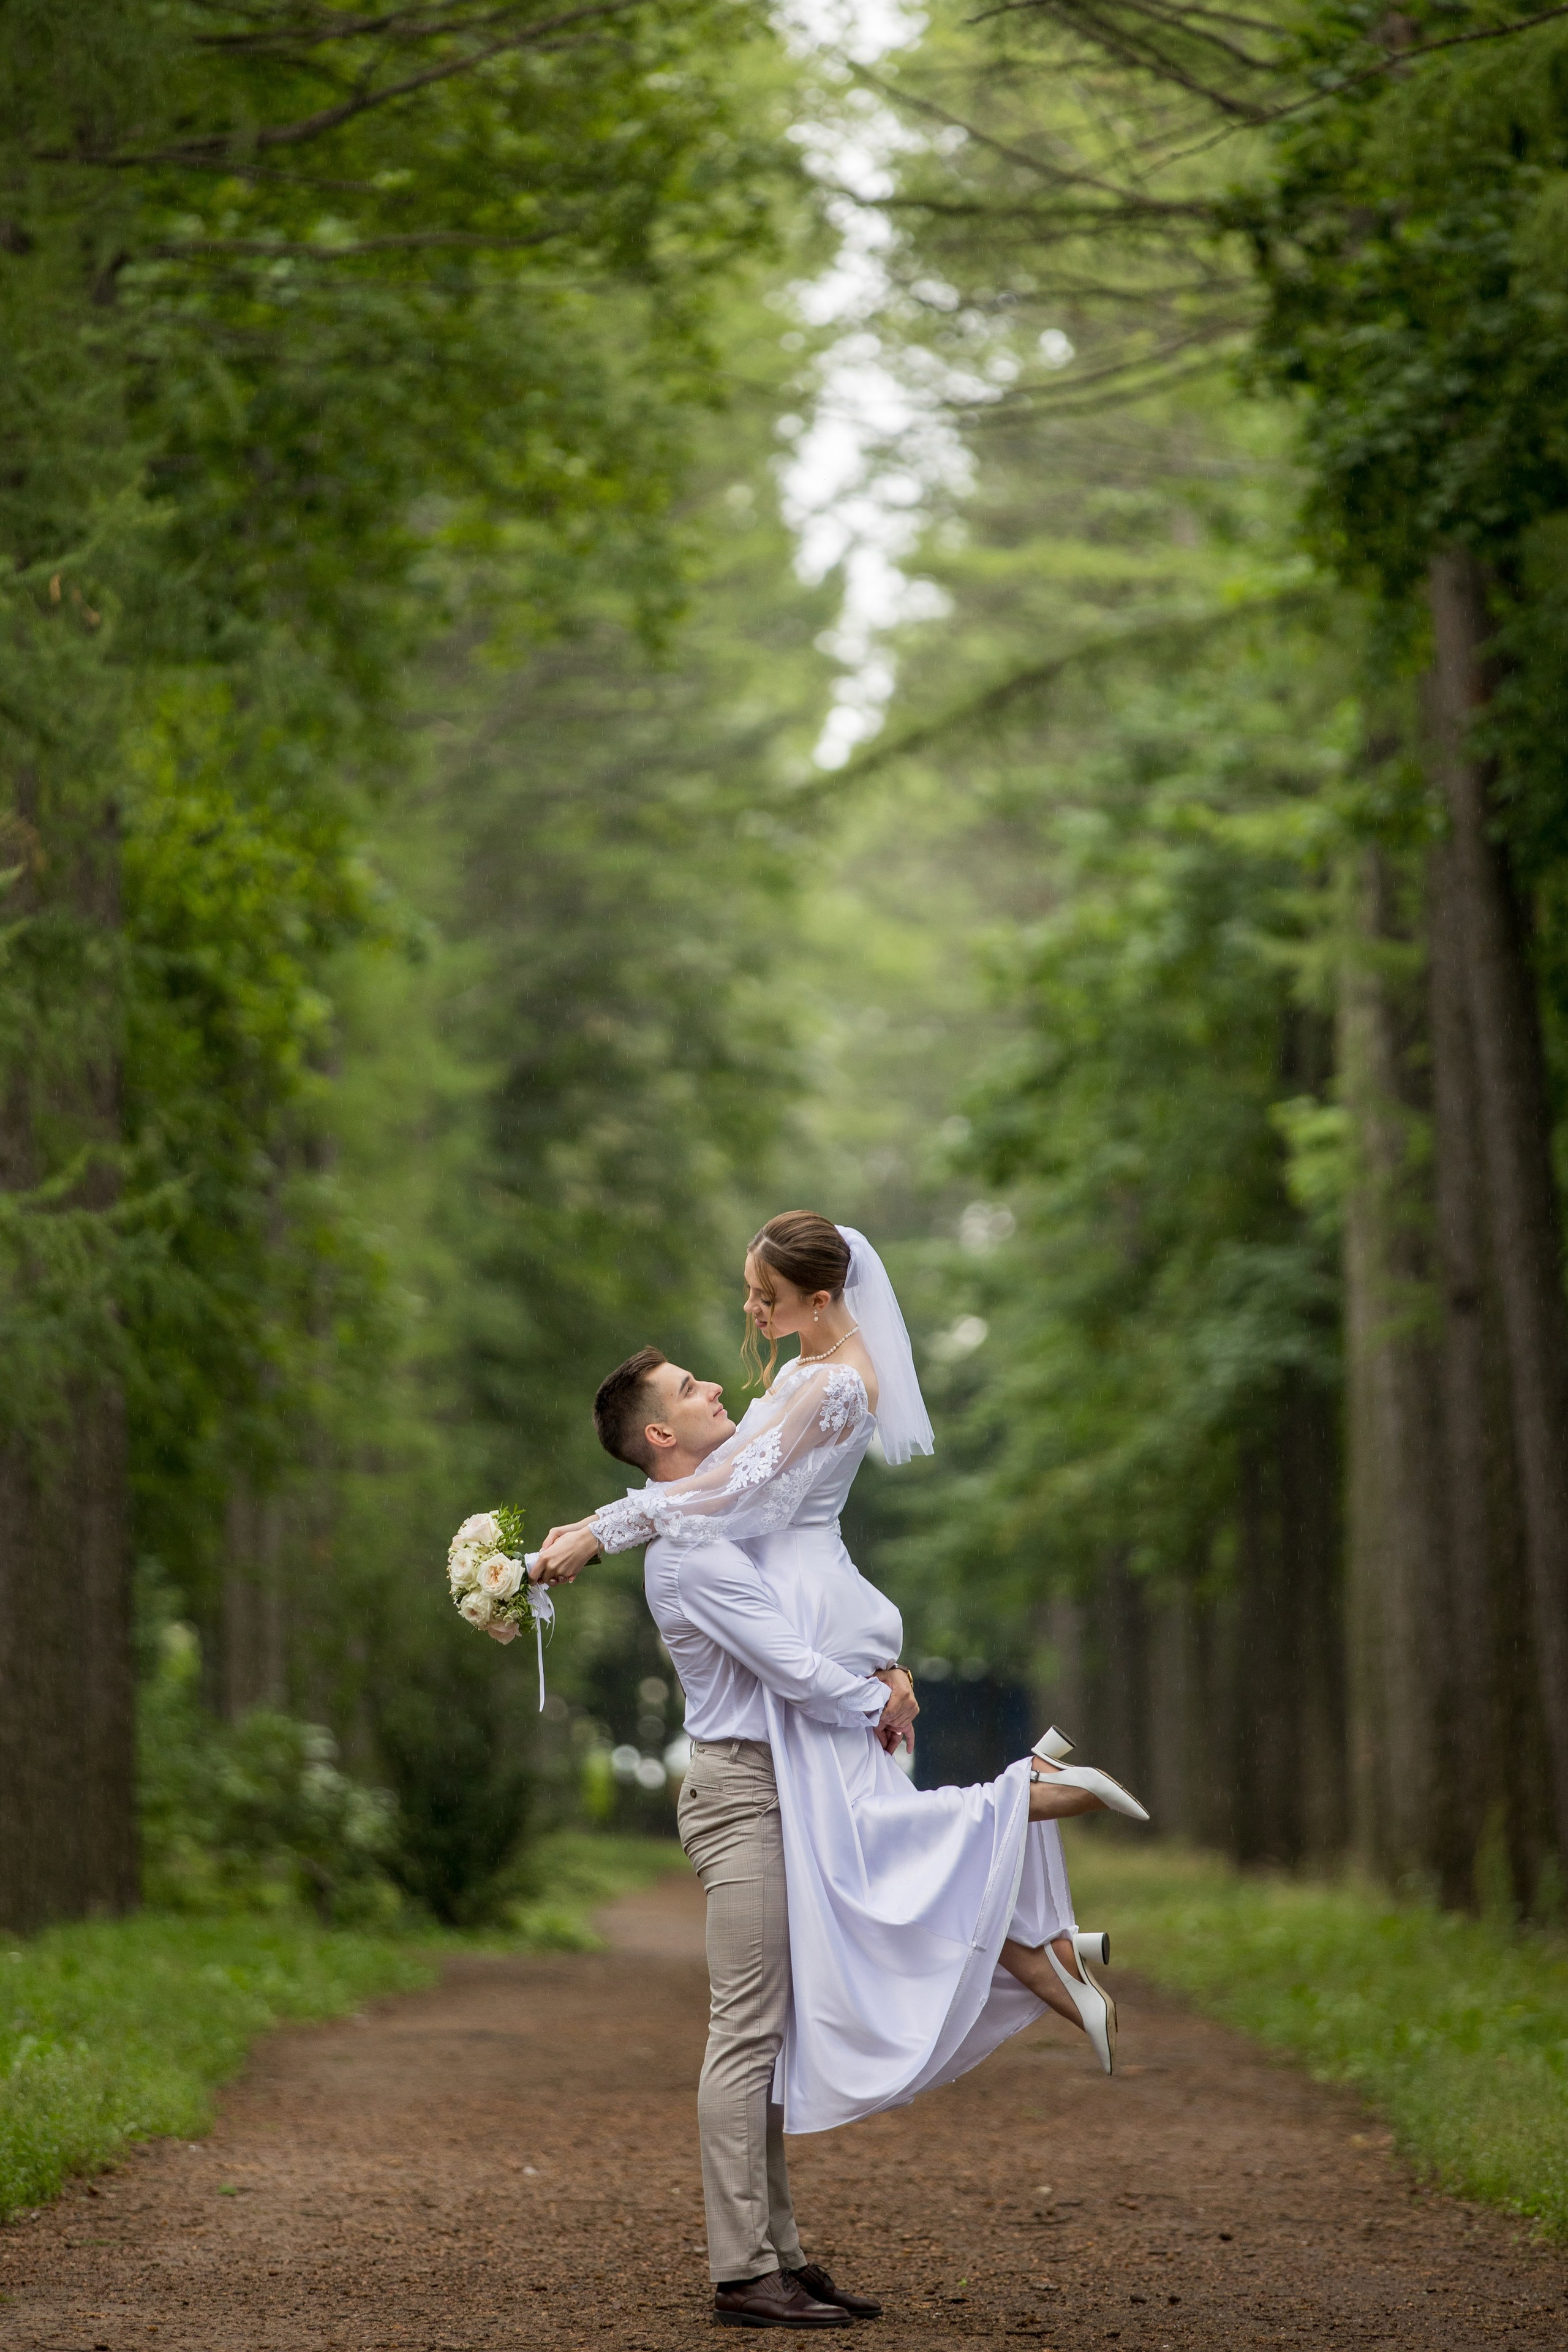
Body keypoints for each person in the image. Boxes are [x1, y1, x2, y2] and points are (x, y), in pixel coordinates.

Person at [537, 1215, 1148, 2122]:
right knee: (862, 1836)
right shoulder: (801, 1374)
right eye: (751, 1288)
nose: (751, 1308)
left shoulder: (832, 1387)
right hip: (800, 1591)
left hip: (800, 1599)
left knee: (858, 1844)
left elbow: (729, 1491)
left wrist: (602, 1528)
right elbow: (721, 1476)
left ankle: (1028, 1796)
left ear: (821, 1299)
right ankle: (1045, 1940)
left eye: (767, 1296)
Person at [589, 1345, 908, 2330]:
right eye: (690, 1390)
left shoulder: (719, 1529)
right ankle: (743, 2272)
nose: (717, 1387)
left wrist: (883, 1672)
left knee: (768, 2033)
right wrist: (883, 1704)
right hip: (743, 1796)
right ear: (657, 1436)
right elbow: (797, 1672)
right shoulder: (694, 1554)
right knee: (747, 2031)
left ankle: (782, 2254)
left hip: (778, 1786)